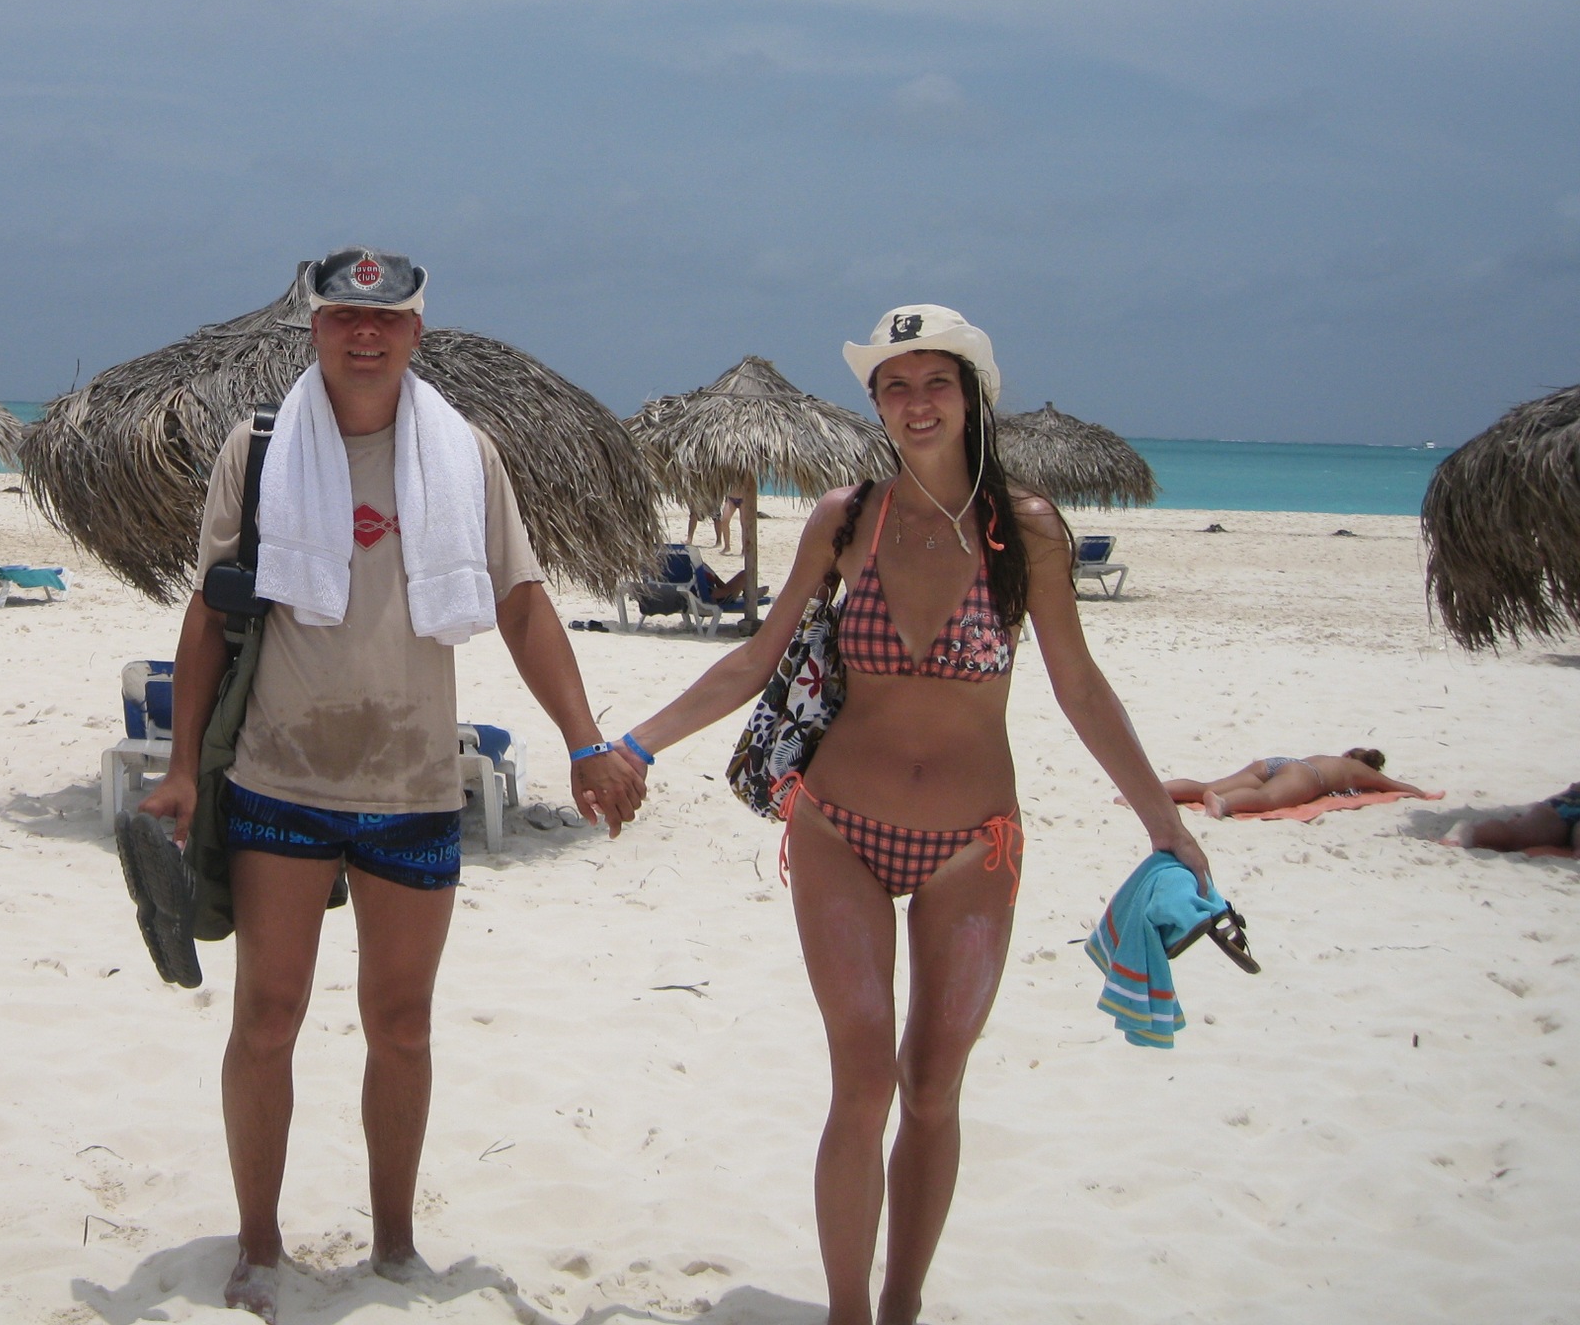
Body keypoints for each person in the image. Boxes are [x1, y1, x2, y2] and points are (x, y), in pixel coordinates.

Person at [614, 306, 1211, 1325]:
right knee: (861, 1086)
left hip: (973, 848)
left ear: (972, 398)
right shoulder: (846, 519)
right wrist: (634, 745)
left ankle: (900, 1306)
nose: (915, 402)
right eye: (895, 385)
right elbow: (755, 658)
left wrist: (1165, 824)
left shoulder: (1025, 530)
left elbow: (1079, 686)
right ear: (876, 403)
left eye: (935, 382)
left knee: (932, 1088)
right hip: (838, 830)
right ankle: (848, 1312)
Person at [136, 246, 645, 1321]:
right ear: (314, 327)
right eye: (341, 317)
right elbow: (210, 610)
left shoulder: (465, 454)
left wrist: (584, 740)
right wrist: (181, 768)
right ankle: (259, 1244)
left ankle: (397, 1244)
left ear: (416, 332)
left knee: (402, 1024)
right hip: (281, 777)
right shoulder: (260, 448)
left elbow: (520, 601)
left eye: (385, 320)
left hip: (414, 782)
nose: (363, 335)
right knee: (267, 1018)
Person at [1164, 749, 1428, 818]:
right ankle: (1223, 803)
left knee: (1207, 785)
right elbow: (1391, 784)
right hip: (1308, 776)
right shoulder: (1359, 769)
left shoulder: (1330, 757)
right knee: (1267, 799)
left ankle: (1160, 790)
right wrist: (1421, 793)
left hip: (1279, 762)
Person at [1446, 784, 1580, 854]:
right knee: (1517, 834)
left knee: (1517, 834)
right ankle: (1470, 834)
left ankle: (1470, 833)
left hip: (1569, 801)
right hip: (1571, 802)